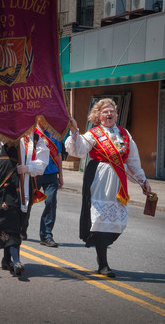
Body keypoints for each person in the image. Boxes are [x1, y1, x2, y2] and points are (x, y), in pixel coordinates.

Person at [65, 98, 151, 277]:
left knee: (118, 222)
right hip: (99, 178)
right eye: (105, 111)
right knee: (101, 219)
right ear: (98, 115)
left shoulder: (124, 133)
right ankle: (103, 263)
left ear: (117, 114)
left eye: (112, 111)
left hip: (119, 181)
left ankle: (101, 248)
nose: (109, 114)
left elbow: (132, 160)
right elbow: (78, 150)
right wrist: (74, 131)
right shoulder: (93, 133)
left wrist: (143, 181)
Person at [0, 131, 49, 276]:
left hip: (24, 183)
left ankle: (7, 258)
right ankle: (16, 260)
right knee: (7, 218)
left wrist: (29, 168)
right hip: (5, 181)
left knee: (18, 221)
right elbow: (0, 138)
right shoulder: (8, 130)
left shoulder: (36, 138)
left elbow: (43, 160)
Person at [33, 126, 63, 247]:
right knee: (27, 202)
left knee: (50, 202)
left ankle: (46, 235)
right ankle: (21, 229)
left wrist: (60, 175)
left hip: (51, 174)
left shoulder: (54, 133)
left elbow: (58, 155)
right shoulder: (30, 132)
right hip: (34, 173)